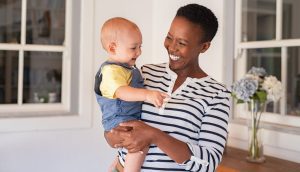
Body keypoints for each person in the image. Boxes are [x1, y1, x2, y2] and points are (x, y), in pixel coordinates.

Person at [105, 4, 231, 172]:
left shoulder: (217, 94)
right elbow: (116, 114)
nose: (172, 47)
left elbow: (209, 163)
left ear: (204, 46)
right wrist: (110, 135)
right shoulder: (144, 73)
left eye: (182, 42)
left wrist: (154, 135)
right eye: (169, 37)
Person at [94, 17, 168, 172]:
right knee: (139, 144)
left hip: (128, 117)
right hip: (119, 120)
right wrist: (147, 95)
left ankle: (114, 166)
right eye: (133, 48)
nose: (139, 52)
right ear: (113, 48)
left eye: (140, 46)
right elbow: (122, 92)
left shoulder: (126, 67)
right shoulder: (111, 71)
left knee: (130, 145)